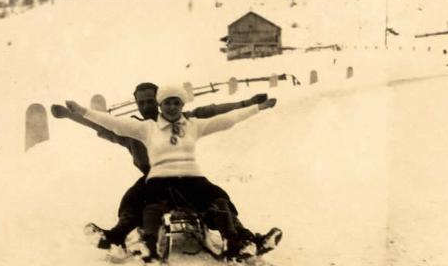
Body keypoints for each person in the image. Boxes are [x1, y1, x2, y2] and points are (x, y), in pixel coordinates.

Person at [51, 83, 281, 257]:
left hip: (184, 177)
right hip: (154, 179)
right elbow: (103, 124)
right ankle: (116, 237)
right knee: (133, 197)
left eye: (150, 101)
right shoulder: (135, 130)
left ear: (159, 101)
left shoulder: (184, 120)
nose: (145, 107)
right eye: (141, 103)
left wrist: (248, 104)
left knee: (217, 196)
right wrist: (71, 115)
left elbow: (216, 113)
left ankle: (242, 238)